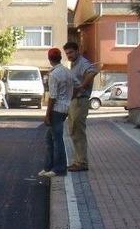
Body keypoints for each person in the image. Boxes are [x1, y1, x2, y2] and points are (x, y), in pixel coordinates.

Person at [64, 41, 98, 172]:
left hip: (80, 100)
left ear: (77, 51)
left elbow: (92, 72)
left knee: (78, 131)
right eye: (67, 53)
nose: (69, 55)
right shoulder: (74, 64)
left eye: (71, 52)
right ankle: (78, 161)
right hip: (74, 101)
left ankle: (82, 162)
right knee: (73, 130)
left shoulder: (83, 62)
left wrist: (81, 87)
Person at [39, 48, 73, 178]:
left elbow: (52, 97)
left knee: (57, 139)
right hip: (66, 108)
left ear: (49, 59)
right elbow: (76, 86)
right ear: (60, 58)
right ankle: (48, 166)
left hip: (56, 109)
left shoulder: (54, 74)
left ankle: (59, 168)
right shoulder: (67, 72)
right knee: (50, 138)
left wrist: (47, 115)